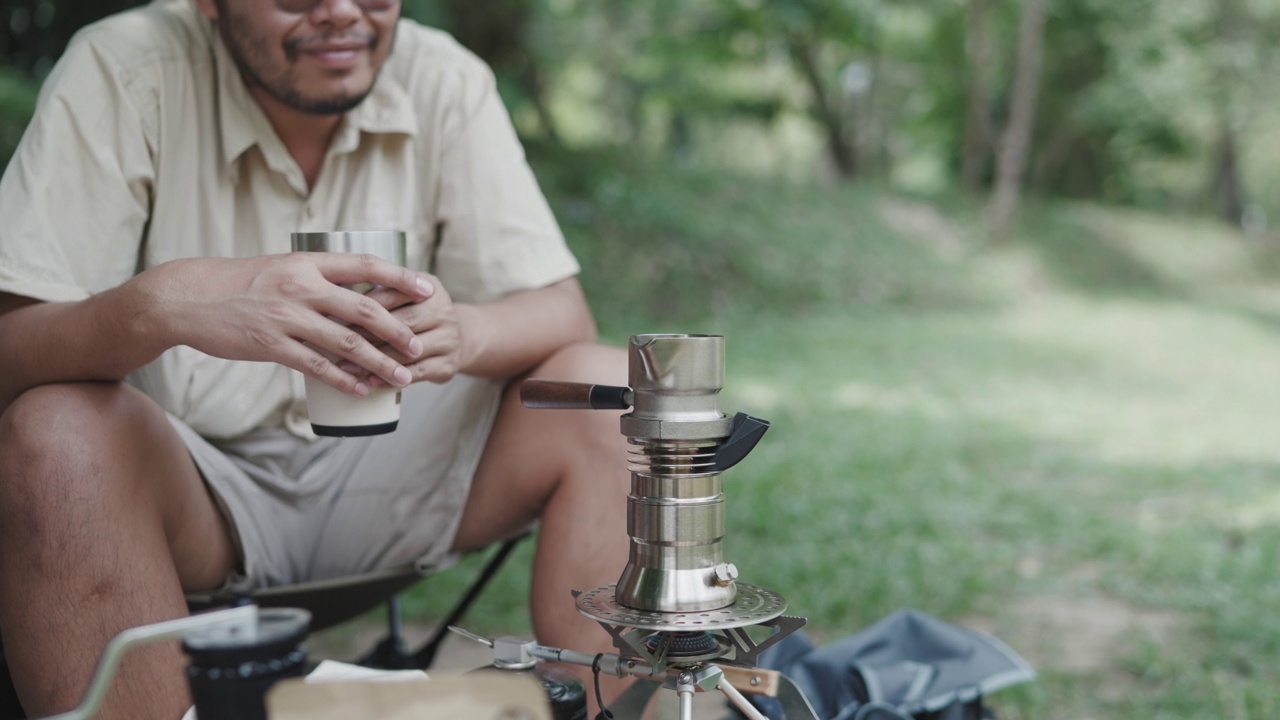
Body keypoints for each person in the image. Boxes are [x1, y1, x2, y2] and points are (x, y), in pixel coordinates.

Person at [0, 0, 632, 718]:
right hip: (194, 492)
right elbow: (12, 348)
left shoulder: (444, 77)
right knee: (53, 433)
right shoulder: (128, 66)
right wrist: (163, 305)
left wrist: (464, 331)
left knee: (606, 392)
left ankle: (608, 705)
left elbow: (563, 310)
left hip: (400, 478)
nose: (341, 14)